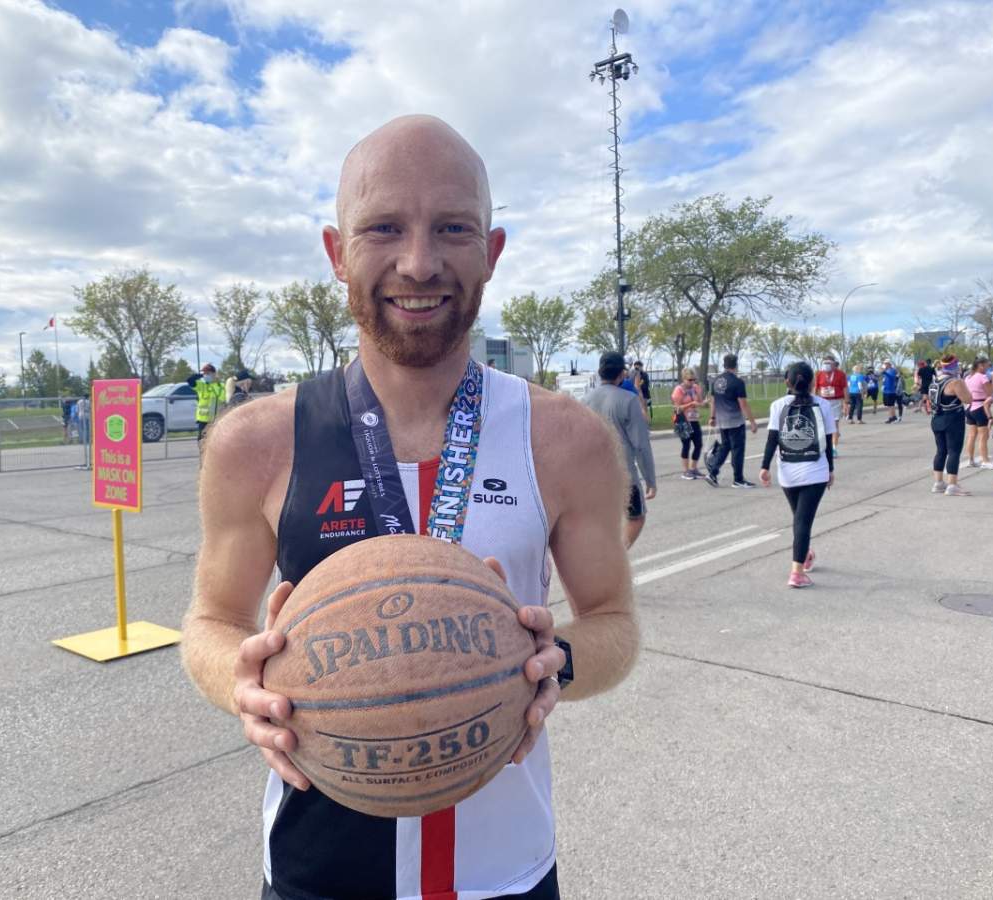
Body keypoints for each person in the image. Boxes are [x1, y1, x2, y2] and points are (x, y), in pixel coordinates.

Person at [179, 115, 638, 900]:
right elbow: (211, 620)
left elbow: (615, 622)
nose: (419, 263)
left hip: (503, 873)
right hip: (314, 873)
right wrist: (241, 682)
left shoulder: (569, 440)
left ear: (491, 253)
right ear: (337, 252)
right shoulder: (255, 442)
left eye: (453, 228)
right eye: (384, 227)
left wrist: (551, 663)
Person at [759, 361, 835, 588]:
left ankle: (805, 554)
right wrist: (830, 469)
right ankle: (797, 573)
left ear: (787, 382)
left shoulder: (777, 405)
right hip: (815, 470)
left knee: (799, 518)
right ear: (813, 382)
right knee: (802, 521)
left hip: (788, 472)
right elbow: (828, 442)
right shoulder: (823, 405)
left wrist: (765, 466)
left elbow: (772, 438)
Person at [585, 351, 658, 546]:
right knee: (636, 517)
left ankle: (603, 555)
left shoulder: (585, 401)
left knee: (601, 520)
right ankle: (616, 556)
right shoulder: (629, 400)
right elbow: (641, 444)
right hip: (623, 474)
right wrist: (650, 479)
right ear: (621, 373)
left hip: (592, 473)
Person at [705, 353, 759, 488]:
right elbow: (743, 404)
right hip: (735, 421)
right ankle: (738, 479)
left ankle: (713, 472)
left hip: (722, 421)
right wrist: (752, 422)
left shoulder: (716, 381)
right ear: (736, 365)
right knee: (738, 450)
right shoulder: (737, 382)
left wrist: (712, 417)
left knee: (725, 447)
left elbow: (713, 401)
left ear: (724, 364)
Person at [929, 353, 973, 496]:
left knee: (941, 451)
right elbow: (968, 399)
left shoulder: (935, 381)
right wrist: (963, 382)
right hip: (952, 419)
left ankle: (938, 482)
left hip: (937, 418)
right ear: (954, 365)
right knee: (954, 451)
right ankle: (952, 484)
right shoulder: (955, 382)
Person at [671, 366, 705, 478]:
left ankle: (693, 468)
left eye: (694, 379)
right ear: (684, 379)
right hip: (682, 420)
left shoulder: (695, 388)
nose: (692, 382)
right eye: (689, 380)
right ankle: (686, 471)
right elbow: (677, 409)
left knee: (699, 444)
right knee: (686, 445)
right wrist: (690, 404)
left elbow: (699, 402)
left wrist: (704, 401)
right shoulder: (678, 390)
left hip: (694, 419)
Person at [962, 356, 992, 467]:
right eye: (987, 365)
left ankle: (970, 459)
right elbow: (990, 393)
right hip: (980, 406)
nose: (988, 368)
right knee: (983, 436)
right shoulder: (983, 377)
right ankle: (985, 460)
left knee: (971, 435)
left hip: (969, 407)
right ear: (981, 365)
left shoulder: (968, 377)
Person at [186, 363, 227, 445]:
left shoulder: (221, 386)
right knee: (202, 442)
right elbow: (189, 380)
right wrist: (200, 375)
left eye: (208, 373)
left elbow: (224, 399)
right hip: (203, 420)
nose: (205, 375)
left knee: (216, 442)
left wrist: (214, 384)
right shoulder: (201, 385)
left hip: (217, 419)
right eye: (204, 373)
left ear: (214, 374)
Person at [814, 354, 847, 454]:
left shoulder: (840, 374)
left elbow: (845, 388)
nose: (826, 365)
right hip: (823, 401)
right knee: (822, 425)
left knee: (834, 425)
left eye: (828, 363)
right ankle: (823, 446)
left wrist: (846, 403)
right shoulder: (819, 374)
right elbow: (816, 388)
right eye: (824, 363)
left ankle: (833, 448)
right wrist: (813, 401)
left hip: (836, 401)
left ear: (833, 364)